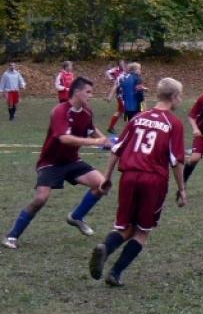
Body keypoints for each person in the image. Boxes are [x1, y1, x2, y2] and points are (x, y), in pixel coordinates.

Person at [89, 77, 187, 287]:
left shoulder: (137, 118)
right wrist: (182, 188)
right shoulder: (173, 123)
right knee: (142, 231)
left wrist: (106, 177)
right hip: (153, 180)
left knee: (125, 226)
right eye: (180, 96)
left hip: (129, 177)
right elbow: (176, 161)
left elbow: (116, 149)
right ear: (174, 97)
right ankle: (115, 273)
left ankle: (106, 247)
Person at [3, 77, 112, 250]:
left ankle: (76, 216)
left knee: (102, 184)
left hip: (72, 161)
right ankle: (12, 236)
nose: (91, 96)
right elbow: (64, 139)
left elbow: (91, 130)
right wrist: (96, 142)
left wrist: (105, 141)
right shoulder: (60, 111)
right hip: (50, 162)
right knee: (41, 199)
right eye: (88, 92)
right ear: (77, 92)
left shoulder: (87, 112)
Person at [104, 59, 126, 134]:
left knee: (120, 111)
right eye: (121, 63)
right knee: (127, 111)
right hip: (121, 95)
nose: (123, 65)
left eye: (124, 63)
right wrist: (110, 96)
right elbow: (115, 85)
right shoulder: (121, 76)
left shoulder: (126, 73)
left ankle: (110, 128)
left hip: (125, 95)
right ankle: (130, 128)